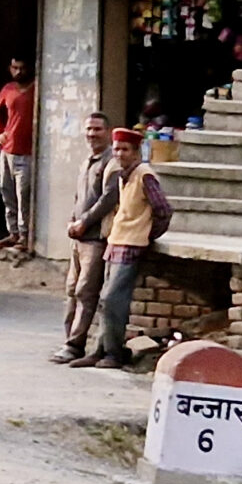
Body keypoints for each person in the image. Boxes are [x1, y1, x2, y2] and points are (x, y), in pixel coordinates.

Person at [81, 126, 171, 370]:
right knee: (104, 299)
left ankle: (113, 353)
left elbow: (163, 210)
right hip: (116, 242)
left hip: (131, 244)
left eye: (125, 149)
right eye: (117, 149)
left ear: (135, 151)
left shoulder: (144, 175)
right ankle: (100, 350)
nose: (119, 154)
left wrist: (148, 234)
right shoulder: (125, 175)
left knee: (113, 300)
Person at [51, 111, 118, 365]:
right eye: (89, 129)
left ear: (107, 132)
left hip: (95, 238)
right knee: (71, 290)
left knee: (85, 292)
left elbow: (107, 200)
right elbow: (79, 198)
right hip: (78, 238)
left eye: (97, 129)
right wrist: (72, 221)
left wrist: (84, 222)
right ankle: (68, 340)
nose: (92, 134)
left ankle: (75, 345)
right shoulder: (87, 161)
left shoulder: (111, 163)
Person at [0, 56, 37, 252]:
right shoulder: (8, 89)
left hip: (27, 152)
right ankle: (13, 233)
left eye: (22, 68)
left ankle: (25, 236)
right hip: (7, 149)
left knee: (23, 193)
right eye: (15, 68)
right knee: (6, 190)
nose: (18, 72)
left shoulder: (37, 88)